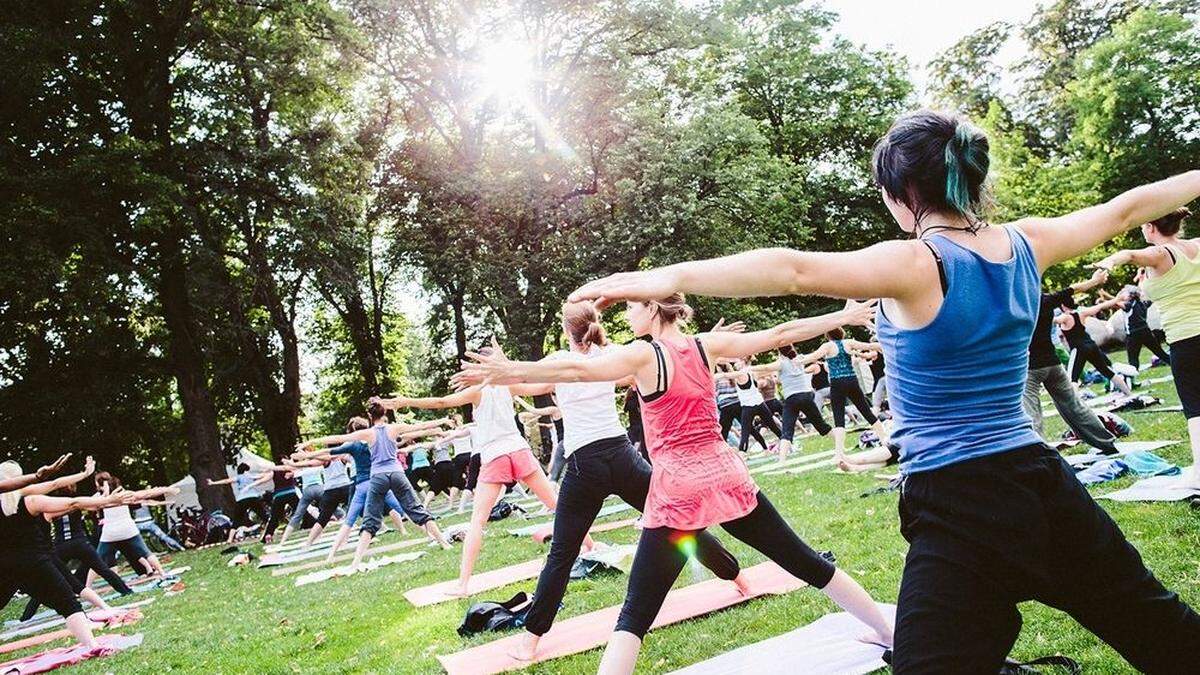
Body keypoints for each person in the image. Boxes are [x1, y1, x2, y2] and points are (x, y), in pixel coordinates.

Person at [566, 111, 1200, 672]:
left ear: (903, 195)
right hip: (1038, 483)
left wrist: (662, 276)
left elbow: (794, 268)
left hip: (956, 504)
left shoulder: (918, 261)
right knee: (1162, 632)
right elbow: (1127, 208)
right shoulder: (1026, 243)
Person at [461, 297, 892, 674]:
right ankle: (890, 633)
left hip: (678, 493)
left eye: (631, 307)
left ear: (651, 309)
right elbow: (779, 332)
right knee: (806, 561)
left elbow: (576, 367)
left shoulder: (642, 356)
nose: (626, 316)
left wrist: (508, 369)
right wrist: (843, 313)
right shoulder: (706, 344)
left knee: (634, 615)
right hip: (728, 479)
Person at [457, 301, 752, 661]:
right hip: (623, 457)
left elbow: (518, 386)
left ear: (567, 330)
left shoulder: (557, 362)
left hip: (585, 466)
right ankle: (738, 578)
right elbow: (666, 366)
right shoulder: (615, 355)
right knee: (682, 525)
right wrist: (707, 346)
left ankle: (530, 640)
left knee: (562, 553)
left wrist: (494, 372)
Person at [377, 373, 586, 597]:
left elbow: (442, 402)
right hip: (518, 449)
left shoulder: (477, 392)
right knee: (556, 505)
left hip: (495, 454)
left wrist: (406, 402)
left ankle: (463, 585)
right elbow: (543, 384)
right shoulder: (507, 386)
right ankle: (591, 546)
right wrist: (574, 374)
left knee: (477, 521)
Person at [1, 457, 171, 653]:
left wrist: (82, 477)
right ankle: (93, 646)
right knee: (68, 603)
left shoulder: (26, 497)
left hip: (5, 565)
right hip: (35, 562)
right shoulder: (29, 501)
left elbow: (56, 486)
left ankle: (93, 639)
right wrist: (105, 499)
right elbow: (72, 501)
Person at [1096, 206, 1200, 488]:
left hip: (1186, 338)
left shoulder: (1160, 253)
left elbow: (1129, 255)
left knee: (1195, 407)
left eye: (1143, 225)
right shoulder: (1196, 245)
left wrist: (1109, 262)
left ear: (1152, 227)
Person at [296, 409, 451, 568]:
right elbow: (420, 426)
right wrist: (442, 421)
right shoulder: (394, 428)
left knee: (369, 521)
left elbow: (337, 439)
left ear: (370, 416)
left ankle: (355, 563)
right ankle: (444, 543)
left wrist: (309, 445)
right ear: (384, 414)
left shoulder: (367, 434)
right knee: (417, 509)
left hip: (377, 477)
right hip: (396, 473)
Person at [1022, 269, 1121, 454]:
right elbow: (1073, 288)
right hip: (1053, 364)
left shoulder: (1016, 305)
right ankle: (1107, 442)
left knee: (1032, 414)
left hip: (1031, 368)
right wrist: (1095, 280)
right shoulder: (1045, 300)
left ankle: (1041, 456)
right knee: (1075, 407)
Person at [291, 417, 412, 562]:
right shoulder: (375, 440)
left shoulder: (353, 444)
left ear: (353, 431)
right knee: (401, 507)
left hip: (360, 483)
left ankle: (331, 555)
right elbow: (396, 443)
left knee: (349, 519)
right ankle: (418, 531)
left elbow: (330, 451)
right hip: (378, 480)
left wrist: (306, 454)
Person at [796, 329, 889, 463]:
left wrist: (799, 360)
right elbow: (868, 346)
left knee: (838, 418)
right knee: (867, 412)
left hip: (837, 383)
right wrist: (883, 345)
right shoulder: (849, 342)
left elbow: (812, 357)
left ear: (828, 335)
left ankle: (839, 453)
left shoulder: (827, 346)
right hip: (852, 380)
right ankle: (884, 440)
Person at [748, 345, 831, 460]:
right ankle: (840, 446)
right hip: (807, 395)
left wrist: (749, 369)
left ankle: (782, 460)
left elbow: (766, 367)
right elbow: (814, 355)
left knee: (787, 431)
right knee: (822, 426)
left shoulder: (782, 363)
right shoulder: (800, 358)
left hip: (793, 398)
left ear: (779, 352)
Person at [88, 472, 168, 583]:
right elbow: (142, 497)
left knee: (98, 558)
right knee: (146, 552)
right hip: (128, 528)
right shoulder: (123, 492)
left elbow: (89, 505)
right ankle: (162, 572)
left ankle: (88, 586)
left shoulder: (100, 496)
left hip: (110, 532)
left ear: (98, 483)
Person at [1055, 298, 1133, 395]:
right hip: (1091, 345)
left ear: (1063, 306)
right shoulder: (1081, 313)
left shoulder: (1065, 317)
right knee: (1107, 372)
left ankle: (1075, 405)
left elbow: (1054, 320)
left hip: (1079, 348)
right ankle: (1129, 394)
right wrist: (1117, 298)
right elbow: (1100, 306)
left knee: (1073, 378)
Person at [716, 361, 783, 453]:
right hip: (756, 404)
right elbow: (764, 369)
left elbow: (725, 376)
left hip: (745, 407)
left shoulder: (737, 376)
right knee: (771, 426)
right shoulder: (748, 374)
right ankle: (776, 446)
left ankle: (742, 453)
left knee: (744, 433)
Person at [207, 463, 268, 530]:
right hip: (253, 497)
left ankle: (230, 538)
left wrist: (213, 483)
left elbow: (226, 481)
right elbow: (264, 476)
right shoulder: (251, 476)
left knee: (237, 520)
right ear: (245, 471)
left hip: (242, 499)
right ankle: (269, 528)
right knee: (263, 515)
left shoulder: (239, 477)